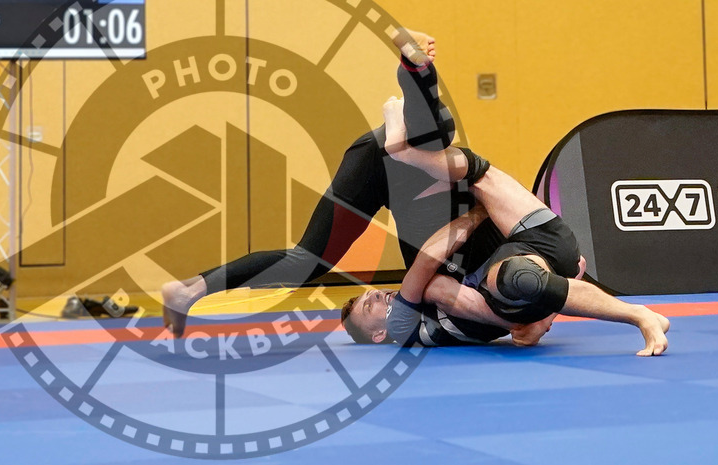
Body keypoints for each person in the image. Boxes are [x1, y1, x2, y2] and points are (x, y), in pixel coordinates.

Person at [343, 62, 670, 356]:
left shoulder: (415, 301)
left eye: (369, 295)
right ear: (378, 335)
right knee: (457, 284)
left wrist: (544, 316)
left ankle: (406, 148)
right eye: (368, 306)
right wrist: (476, 215)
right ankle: (639, 314)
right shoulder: (401, 327)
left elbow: (574, 267)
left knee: (479, 179)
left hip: (541, 255)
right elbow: (429, 257)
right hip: (505, 299)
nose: (376, 296)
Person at [161, 30, 471, 338]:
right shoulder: (452, 294)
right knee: (434, 139)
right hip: (397, 164)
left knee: (307, 263)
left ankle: (190, 290)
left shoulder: (445, 298)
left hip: (398, 169)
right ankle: (412, 76)